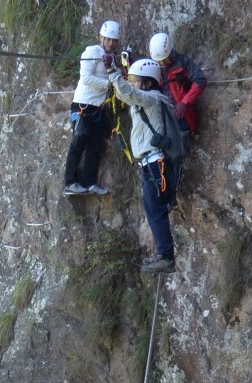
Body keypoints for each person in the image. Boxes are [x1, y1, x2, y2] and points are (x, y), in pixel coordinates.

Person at [109, 56, 187, 273]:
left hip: (155, 163)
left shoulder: (152, 98)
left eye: (136, 80)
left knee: (155, 210)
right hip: (150, 165)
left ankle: (166, 257)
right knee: (154, 209)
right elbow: (125, 93)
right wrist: (117, 72)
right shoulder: (149, 99)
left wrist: (112, 71)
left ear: (148, 82)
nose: (132, 83)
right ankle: (164, 255)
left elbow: (129, 93)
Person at [62, 20, 124, 196]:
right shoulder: (91, 52)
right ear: (101, 38)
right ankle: (71, 182)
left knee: (95, 145)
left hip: (98, 108)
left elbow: (117, 77)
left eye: (114, 40)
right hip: (82, 104)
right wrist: (109, 84)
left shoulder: (112, 59)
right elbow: (86, 78)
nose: (111, 43)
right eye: (108, 39)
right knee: (79, 140)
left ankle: (89, 182)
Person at [148, 30, 207, 144]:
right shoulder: (154, 65)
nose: (162, 64)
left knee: (181, 142)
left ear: (170, 52)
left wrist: (184, 103)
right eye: (159, 62)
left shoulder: (183, 62)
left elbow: (200, 80)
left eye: (164, 60)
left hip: (183, 115)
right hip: (163, 116)